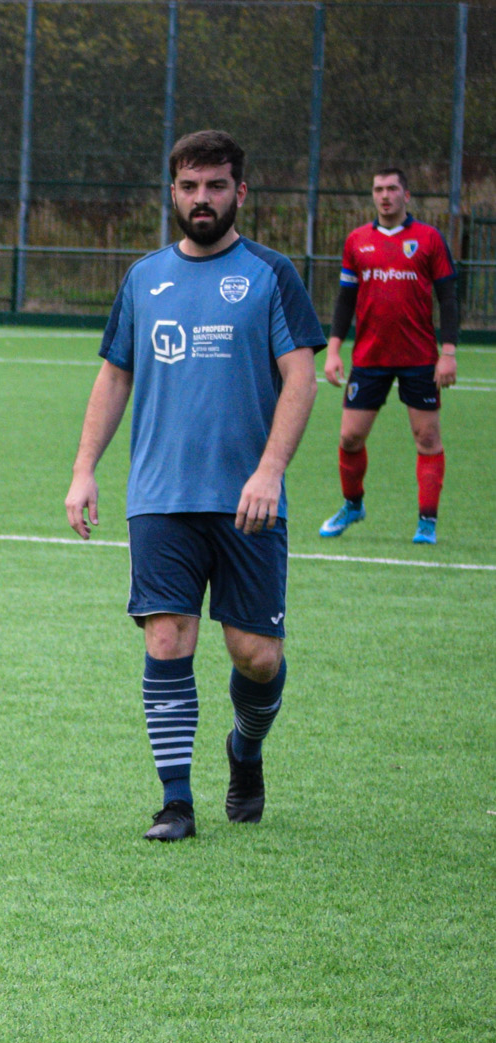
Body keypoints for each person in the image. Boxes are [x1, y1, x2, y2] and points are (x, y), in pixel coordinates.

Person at [67, 129, 324, 842]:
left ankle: (245, 748)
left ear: (240, 193)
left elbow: (300, 377)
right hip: (159, 496)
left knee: (255, 654)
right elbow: (115, 373)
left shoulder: (272, 274)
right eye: (189, 186)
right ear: (172, 192)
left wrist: (270, 470)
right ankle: (175, 802)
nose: (201, 199)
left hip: (247, 499)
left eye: (215, 186)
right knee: (167, 639)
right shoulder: (144, 278)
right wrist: (85, 467)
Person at [317, 166, 461, 546]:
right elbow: (345, 298)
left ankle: (426, 522)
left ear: (406, 195)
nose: (385, 195)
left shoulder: (428, 239)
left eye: (392, 189)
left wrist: (448, 352)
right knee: (349, 437)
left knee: (426, 437)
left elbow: (448, 298)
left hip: (419, 357)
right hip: (369, 356)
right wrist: (333, 350)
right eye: (378, 189)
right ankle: (353, 505)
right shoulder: (356, 241)